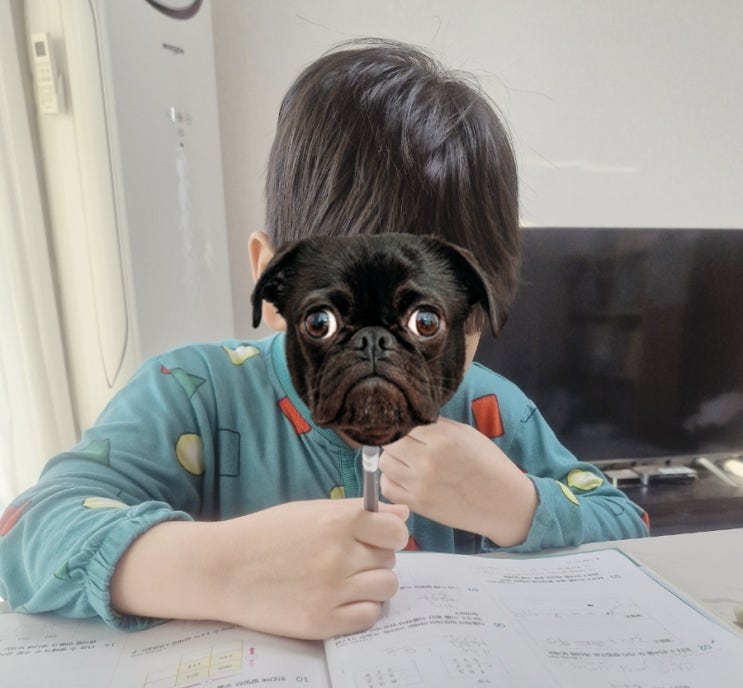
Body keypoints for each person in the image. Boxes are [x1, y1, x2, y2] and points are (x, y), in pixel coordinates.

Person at [0, 39, 648, 640]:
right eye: (327, 321)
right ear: (271, 284)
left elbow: (628, 524)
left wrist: (516, 505)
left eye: (428, 323)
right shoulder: (191, 396)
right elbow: (26, 530)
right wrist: (224, 567)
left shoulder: (491, 411)